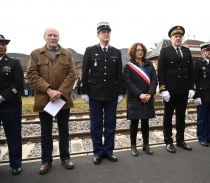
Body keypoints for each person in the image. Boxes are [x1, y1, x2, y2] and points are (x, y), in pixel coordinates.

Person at [27, 28, 76, 174]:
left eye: (55, 35)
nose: (52, 38)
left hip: (62, 100)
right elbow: (32, 75)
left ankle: (65, 158)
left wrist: (59, 93)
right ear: (44, 37)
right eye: (50, 35)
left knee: (64, 131)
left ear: (59, 37)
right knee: (45, 133)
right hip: (45, 100)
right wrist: (49, 91)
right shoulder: (36, 54)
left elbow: (72, 74)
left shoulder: (67, 54)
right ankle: (46, 161)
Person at [81, 22, 124, 164]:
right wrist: (84, 92)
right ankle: (98, 152)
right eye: (103, 32)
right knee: (96, 124)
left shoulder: (116, 52)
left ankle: (109, 151)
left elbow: (119, 74)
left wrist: (120, 93)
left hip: (111, 94)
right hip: (95, 94)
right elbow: (85, 73)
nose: (106, 34)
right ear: (98, 35)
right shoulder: (90, 50)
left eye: (108, 32)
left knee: (111, 124)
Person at [0, 34, 24, 179]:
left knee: (13, 136)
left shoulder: (14, 62)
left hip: (10, 105)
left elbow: (18, 83)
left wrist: (3, 97)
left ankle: (15, 164)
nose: (1, 46)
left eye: (3, 44)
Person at [157, 26, 195, 153]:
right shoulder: (165, 51)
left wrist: (191, 87)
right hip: (170, 91)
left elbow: (190, 71)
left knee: (181, 117)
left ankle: (180, 140)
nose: (178, 38)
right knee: (168, 117)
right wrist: (163, 89)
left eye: (180, 36)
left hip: (183, 90)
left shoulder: (186, 51)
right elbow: (161, 72)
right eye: (176, 36)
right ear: (171, 38)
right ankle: (168, 141)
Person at [123, 43, 158, 156]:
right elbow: (128, 82)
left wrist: (149, 94)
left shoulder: (149, 65)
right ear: (133, 51)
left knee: (145, 122)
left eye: (142, 50)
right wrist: (140, 94)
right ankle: (133, 146)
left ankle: (146, 145)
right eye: (138, 50)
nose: (140, 52)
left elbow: (154, 80)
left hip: (147, 97)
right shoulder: (128, 66)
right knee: (134, 123)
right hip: (135, 98)